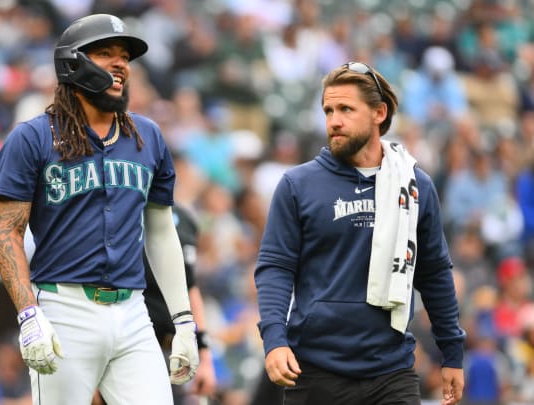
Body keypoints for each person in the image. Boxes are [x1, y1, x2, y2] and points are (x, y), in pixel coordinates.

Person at [0, 13, 198, 405]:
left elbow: (159, 229)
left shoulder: (148, 136)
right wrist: (28, 314)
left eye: (125, 56)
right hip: (65, 310)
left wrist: (182, 318)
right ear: (72, 63)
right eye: (106, 53)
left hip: (134, 313)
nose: (121, 63)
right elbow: (6, 232)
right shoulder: (32, 137)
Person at [254, 62, 466, 405]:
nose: (333, 120)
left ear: (378, 113)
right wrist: (275, 340)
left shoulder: (415, 186)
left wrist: (452, 351)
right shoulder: (297, 185)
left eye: (345, 109)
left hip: (391, 371)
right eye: (328, 110)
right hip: (314, 371)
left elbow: (434, 271)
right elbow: (275, 268)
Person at [92, 204, 217, 405]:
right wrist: (95, 368)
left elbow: (190, 287)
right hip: (126, 350)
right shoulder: (117, 214)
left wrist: (205, 357)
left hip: (176, 352)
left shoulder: (184, 219)